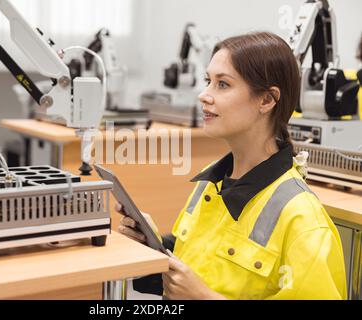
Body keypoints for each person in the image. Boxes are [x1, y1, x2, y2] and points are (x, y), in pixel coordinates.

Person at [116, 31, 347, 300]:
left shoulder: (304, 221)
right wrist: (151, 247)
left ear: (267, 100)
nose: (204, 95)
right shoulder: (211, 184)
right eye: (208, 81)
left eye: (222, 84)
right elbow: (194, 267)